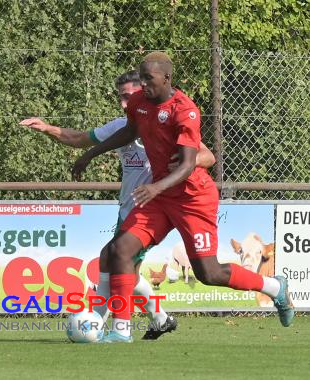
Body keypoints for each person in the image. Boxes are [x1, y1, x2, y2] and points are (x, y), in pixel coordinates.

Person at [72, 52, 294, 343]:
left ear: (166, 78)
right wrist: (90, 153)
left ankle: (274, 287)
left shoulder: (184, 110)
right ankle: (120, 331)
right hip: (161, 196)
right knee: (119, 250)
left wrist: (154, 187)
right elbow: (129, 132)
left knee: (208, 273)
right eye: (141, 78)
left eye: (148, 79)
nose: (143, 84)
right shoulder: (139, 103)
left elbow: (190, 163)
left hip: (193, 198)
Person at [20, 70, 216, 340]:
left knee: (115, 258)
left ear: (145, 91)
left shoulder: (165, 123)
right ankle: (159, 318)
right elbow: (79, 138)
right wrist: (48, 128)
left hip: (151, 209)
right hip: (128, 208)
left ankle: (101, 324)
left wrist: (185, 163)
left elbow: (206, 155)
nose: (124, 104)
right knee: (117, 263)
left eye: (128, 96)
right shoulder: (119, 128)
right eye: (121, 98)